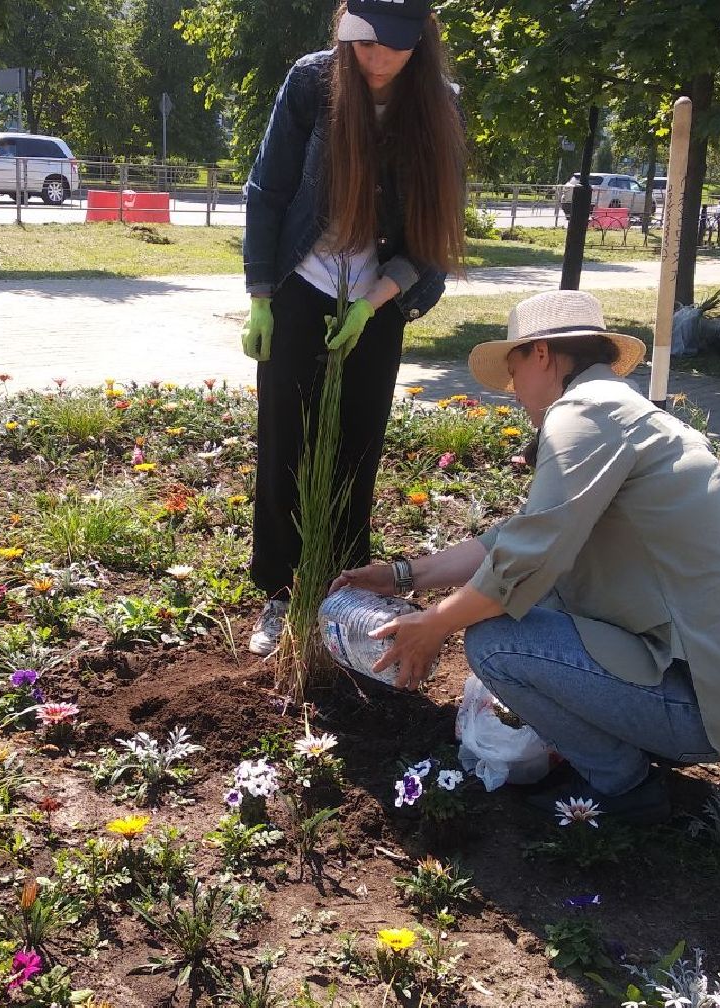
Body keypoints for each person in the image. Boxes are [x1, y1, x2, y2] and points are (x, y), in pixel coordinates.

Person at [330, 290, 720, 824]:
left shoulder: (585, 413)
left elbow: (525, 559)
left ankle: (623, 786)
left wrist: (434, 624)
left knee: (495, 641)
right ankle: (629, 744)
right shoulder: (618, 411)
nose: (514, 393)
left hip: (704, 710)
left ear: (542, 354)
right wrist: (403, 576)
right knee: (532, 603)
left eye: (513, 374)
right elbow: (513, 540)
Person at [240, 0, 467, 657]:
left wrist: (371, 303)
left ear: (421, 39)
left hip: (379, 297)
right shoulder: (312, 82)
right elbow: (267, 190)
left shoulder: (439, 105)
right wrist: (261, 297)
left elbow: (431, 232)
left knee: (356, 447)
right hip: (299, 286)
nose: (376, 59)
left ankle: (339, 590)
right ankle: (281, 590)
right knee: (285, 443)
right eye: (364, 44)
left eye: (392, 46)